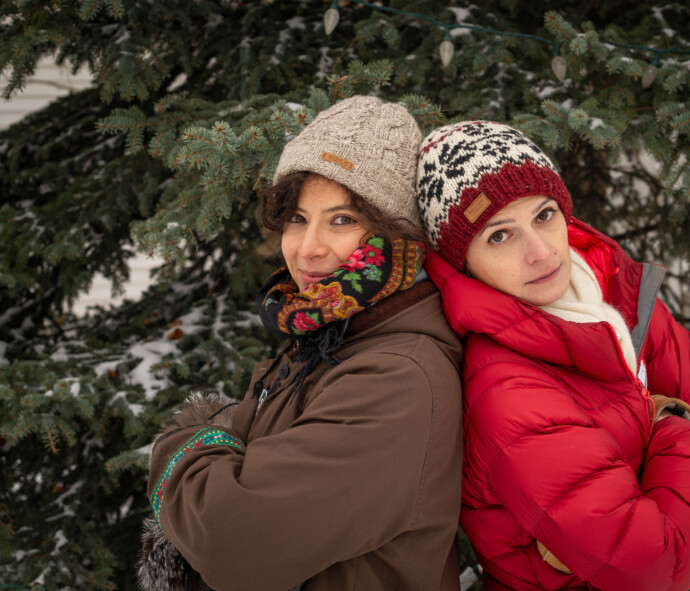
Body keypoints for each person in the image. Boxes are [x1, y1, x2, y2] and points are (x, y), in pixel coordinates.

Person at [139, 96, 464, 591]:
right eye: (297, 218)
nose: (307, 248)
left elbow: (232, 542)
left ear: (397, 236)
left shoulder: (397, 378)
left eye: (341, 220)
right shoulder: (326, 333)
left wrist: (185, 440)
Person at [415, 120, 690, 591]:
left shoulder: (611, 289)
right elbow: (658, 564)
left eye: (544, 216)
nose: (541, 251)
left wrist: (662, 470)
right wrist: (673, 423)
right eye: (499, 236)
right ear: (464, 263)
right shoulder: (506, 392)